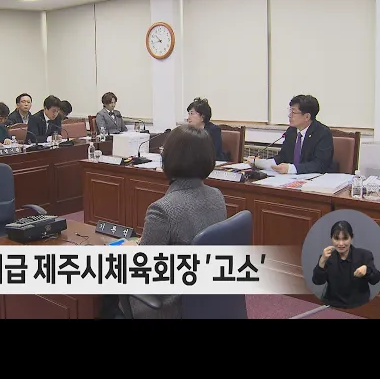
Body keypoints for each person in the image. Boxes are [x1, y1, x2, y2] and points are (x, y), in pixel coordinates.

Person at [117, 125, 228, 319]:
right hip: (211, 298)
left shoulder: (162, 210)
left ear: (168, 159)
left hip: (173, 305)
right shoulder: (217, 196)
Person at [247, 94, 334, 174]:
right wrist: (262, 163)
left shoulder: (323, 133)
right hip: (290, 179)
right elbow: (283, 157)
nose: (289, 115)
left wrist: (291, 169)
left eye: (293, 112)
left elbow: (319, 164)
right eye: (290, 111)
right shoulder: (291, 131)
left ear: (307, 116)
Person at [312, 220, 380, 309]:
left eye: (345, 239)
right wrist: (322, 262)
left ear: (351, 238)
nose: (341, 244)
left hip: (358, 306)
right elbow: (318, 282)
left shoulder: (364, 255)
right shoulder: (327, 257)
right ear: (331, 239)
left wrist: (367, 270)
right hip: (333, 305)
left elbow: (375, 279)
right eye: (337, 239)